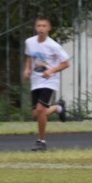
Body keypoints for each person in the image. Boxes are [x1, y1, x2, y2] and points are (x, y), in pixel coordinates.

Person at [22, 16, 69, 151]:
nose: (41, 28)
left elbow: (66, 63)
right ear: (35, 28)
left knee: (40, 110)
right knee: (37, 114)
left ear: (49, 28)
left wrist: (51, 70)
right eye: (39, 26)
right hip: (36, 81)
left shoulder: (53, 45)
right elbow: (30, 56)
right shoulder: (30, 42)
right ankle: (58, 108)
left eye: (44, 26)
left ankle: (41, 141)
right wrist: (26, 70)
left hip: (50, 81)